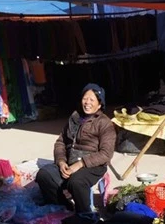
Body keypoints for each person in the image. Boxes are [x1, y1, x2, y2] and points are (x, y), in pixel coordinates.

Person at [36, 83, 116, 216]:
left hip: (92, 165)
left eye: (92, 100)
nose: (87, 103)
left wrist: (80, 164)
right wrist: (61, 161)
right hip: (69, 162)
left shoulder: (104, 123)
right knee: (44, 174)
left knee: (76, 182)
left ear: (100, 104)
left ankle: (85, 215)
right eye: (85, 98)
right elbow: (61, 142)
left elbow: (106, 153)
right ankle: (63, 208)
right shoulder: (75, 117)